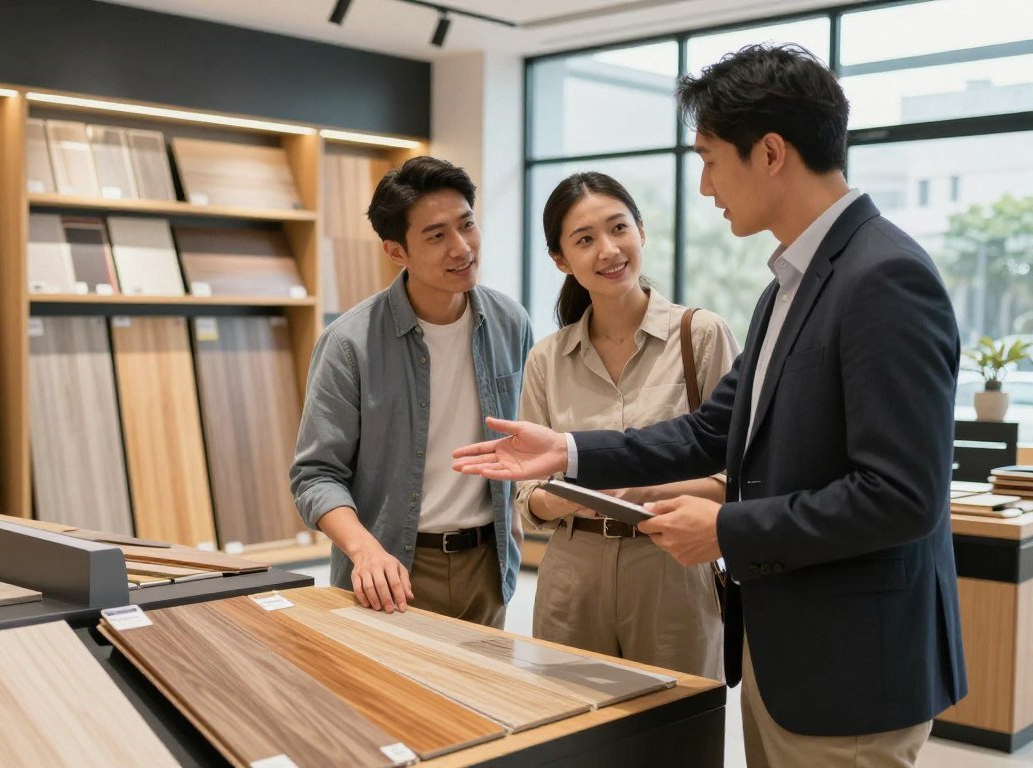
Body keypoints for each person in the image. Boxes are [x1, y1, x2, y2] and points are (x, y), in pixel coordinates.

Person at [453, 44, 965, 767]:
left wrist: (726, 526)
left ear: (771, 153)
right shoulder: (787, 285)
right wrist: (569, 451)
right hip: (788, 654)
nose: (703, 186)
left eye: (710, 158)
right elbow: (713, 430)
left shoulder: (883, 277)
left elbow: (903, 497)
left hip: (851, 669)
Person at [290, 156, 532, 627]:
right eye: (437, 236)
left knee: (483, 699)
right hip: (389, 568)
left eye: (467, 225)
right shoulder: (348, 343)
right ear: (396, 252)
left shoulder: (510, 322)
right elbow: (315, 475)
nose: (462, 248)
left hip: (488, 561)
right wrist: (366, 551)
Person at [517, 171, 737, 680]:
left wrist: (630, 488)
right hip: (573, 572)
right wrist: (567, 498)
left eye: (619, 228)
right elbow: (528, 497)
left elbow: (738, 477)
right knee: (573, 735)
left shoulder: (700, 335)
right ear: (560, 260)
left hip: (673, 567)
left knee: (675, 736)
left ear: (641, 230)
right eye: (585, 240)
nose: (608, 250)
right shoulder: (547, 358)